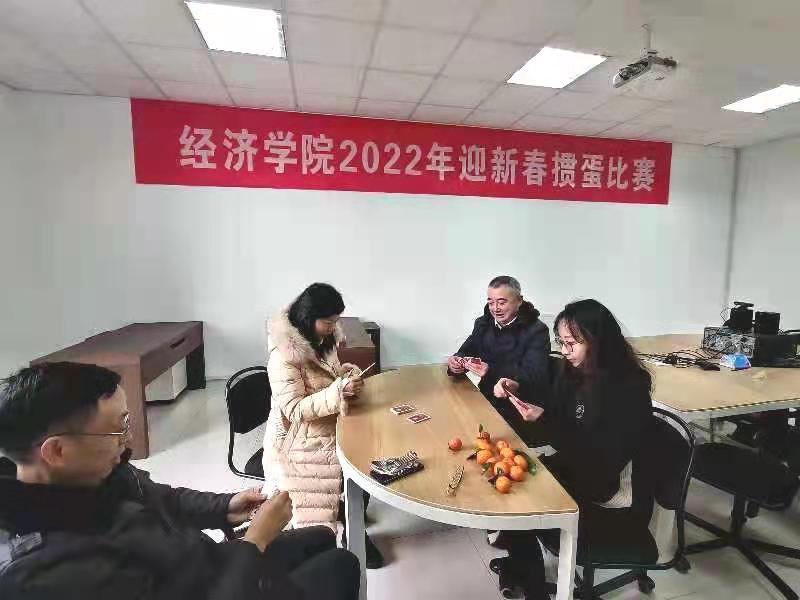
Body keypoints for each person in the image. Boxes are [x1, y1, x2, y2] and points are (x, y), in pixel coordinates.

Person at [0, 361, 359, 600]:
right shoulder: (47, 571)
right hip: (209, 587)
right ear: (57, 451)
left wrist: (224, 507)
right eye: (118, 428)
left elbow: (161, 497)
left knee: (322, 537)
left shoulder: (92, 471)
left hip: (199, 564)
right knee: (340, 565)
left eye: (127, 423)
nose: (128, 440)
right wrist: (255, 541)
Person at [492, 299, 653, 600]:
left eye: (572, 343)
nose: (565, 351)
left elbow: (601, 459)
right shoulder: (577, 371)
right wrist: (516, 387)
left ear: (599, 341)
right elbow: (557, 409)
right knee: (508, 484)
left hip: (611, 495)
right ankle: (523, 569)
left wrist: (546, 423)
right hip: (580, 468)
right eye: (561, 342)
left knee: (519, 501)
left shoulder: (628, 387)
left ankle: (530, 582)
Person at [262, 283, 384, 568]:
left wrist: (346, 376)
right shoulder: (283, 357)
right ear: (308, 317)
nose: (333, 328)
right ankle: (330, 543)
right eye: (328, 322)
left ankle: (353, 525)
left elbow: (329, 377)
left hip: (328, 422)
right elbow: (294, 409)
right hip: (299, 439)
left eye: (335, 321)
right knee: (339, 480)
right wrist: (337, 392)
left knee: (368, 456)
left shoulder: (321, 340)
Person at [447, 275, 551, 443]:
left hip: (518, 408)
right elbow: (466, 351)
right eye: (490, 302)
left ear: (519, 301)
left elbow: (533, 375)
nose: (495, 309)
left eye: (502, 302)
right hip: (485, 399)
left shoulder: (537, 330)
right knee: (452, 421)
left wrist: (490, 371)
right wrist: (456, 362)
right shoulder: (483, 324)